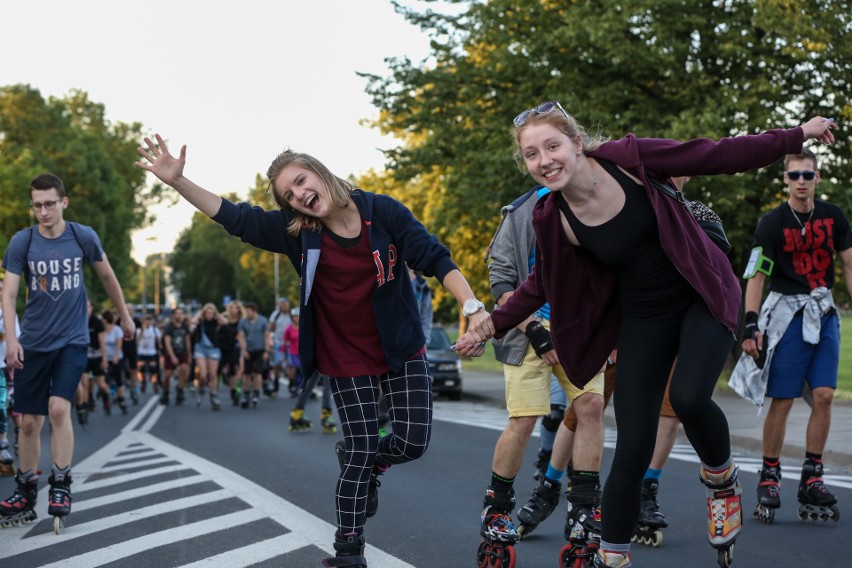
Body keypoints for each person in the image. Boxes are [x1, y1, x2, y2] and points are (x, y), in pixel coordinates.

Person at [460, 104, 837, 567]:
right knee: (633, 441)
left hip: (701, 293)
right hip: (643, 316)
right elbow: (541, 285)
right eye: (532, 154)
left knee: (689, 398)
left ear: (576, 144)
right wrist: (491, 323)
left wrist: (798, 133)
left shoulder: (630, 161)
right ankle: (613, 557)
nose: (545, 160)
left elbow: (718, 154)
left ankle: (721, 481)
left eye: (552, 146)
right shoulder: (551, 217)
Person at [135, 134, 488, 568]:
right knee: (359, 448)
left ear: (319, 172)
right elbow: (235, 217)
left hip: (399, 346)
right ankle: (348, 550)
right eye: (290, 195)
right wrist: (179, 183)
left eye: (301, 181)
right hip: (344, 355)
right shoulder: (298, 235)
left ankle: (370, 463)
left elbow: (434, 258)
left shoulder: (383, 211)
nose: (300, 195)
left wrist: (471, 304)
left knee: (413, 442)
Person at [0, 173, 134, 529]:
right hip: (33, 342)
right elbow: (9, 293)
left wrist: (125, 317)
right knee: (29, 422)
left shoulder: (82, 236)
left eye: (49, 203)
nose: (43, 211)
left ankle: (61, 484)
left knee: (58, 410)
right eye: (37, 205)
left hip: (72, 341)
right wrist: (12, 339)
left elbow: (107, 277)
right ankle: (26, 492)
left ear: (64, 202)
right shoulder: (22, 243)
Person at [483, 182, 606, 548]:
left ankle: (584, 508)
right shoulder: (521, 211)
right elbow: (501, 279)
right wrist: (535, 329)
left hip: (581, 329)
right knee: (524, 418)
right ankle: (497, 507)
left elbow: (611, 277)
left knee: (592, 405)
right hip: (528, 330)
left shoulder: (598, 203)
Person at [730, 148, 848, 524]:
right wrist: (750, 324)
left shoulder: (834, 217)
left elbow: (848, 263)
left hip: (823, 310)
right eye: (794, 175)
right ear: (785, 179)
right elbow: (757, 274)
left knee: (825, 396)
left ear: (817, 177)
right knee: (782, 400)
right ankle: (769, 473)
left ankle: (812, 474)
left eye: (807, 175)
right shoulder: (771, 223)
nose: (801, 182)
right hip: (787, 314)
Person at [0, 276, 21, 476]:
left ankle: (6, 442)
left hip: (4, 367)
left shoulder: (8, 314)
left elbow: (15, 340)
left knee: (4, 405)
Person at [190, 303, 223, 410]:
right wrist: (200, 313)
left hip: (213, 349)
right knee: (203, 375)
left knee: (213, 374)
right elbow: (192, 321)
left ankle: (213, 394)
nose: (209, 315)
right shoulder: (201, 321)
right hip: (201, 348)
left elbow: (225, 322)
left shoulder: (216, 322)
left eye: (211, 313)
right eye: (207, 312)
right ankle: (201, 389)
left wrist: (217, 314)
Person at [237, 302, 269, 409]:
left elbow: (266, 336)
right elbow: (241, 337)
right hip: (249, 349)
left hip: (260, 349)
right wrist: (244, 350)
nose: (247, 313)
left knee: (257, 372)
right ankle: (246, 394)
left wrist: (266, 351)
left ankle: (256, 393)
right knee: (247, 373)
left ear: (254, 311)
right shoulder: (243, 322)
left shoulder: (262, 321)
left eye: (249, 311)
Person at [160, 306, 192, 406]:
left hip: (182, 351)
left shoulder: (184, 326)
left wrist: (189, 353)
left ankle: (180, 389)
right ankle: (165, 392)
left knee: (184, 369)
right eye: (177, 313)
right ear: (173, 315)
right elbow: (167, 342)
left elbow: (187, 340)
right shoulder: (169, 326)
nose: (179, 315)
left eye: (180, 313)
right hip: (171, 352)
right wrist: (172, 356)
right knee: (167, 375)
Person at [102, 311, 128, 415]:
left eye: (102, 319)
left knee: (118, 379)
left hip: (116, 358)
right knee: (105, 381)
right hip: (105, 359)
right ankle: (107, 401)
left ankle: (121, 400)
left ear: (105, 320)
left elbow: (119, 344)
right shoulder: (102, 331)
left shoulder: (117, 330)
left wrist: (116, 356)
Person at [219, 300, 244, 406]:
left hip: (235, 346)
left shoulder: (241, 321)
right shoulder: (223, 319)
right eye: (232, 308)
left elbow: (242, 335)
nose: (234, 310)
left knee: (235, 369)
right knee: (221, 369)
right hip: (223, 346)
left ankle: (234, 391)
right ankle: (224, 378)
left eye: (236, 308)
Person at [269, 297, 291, 396]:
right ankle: (276, 385)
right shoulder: (276, 315)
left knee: (292, 365)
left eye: (286, 304)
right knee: (277, 364)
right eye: (282, 305)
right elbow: (271, 328)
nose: (285, 306)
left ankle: (292, 385)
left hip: (290, 343)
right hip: (279, 343)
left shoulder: (292, 314)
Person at [121, 303, 143, 404]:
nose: (129, 310)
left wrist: (138, 340)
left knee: (133, 369)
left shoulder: (136, 321)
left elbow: (141, 330)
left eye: (130, 309)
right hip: (122, 348)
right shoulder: (120, 320)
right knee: (121, 369)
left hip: (132, 348)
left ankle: (134, 389)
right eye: (127, 309)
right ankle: (121, 389)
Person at [137, 314, 162, 395]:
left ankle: (154, 383)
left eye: (149, 320)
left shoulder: (155, 330)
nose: (147, 322)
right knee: (141, 369)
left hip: (152, 352)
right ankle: (143, 382)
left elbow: (159, 342)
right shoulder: (139, 330)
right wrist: (142, 331)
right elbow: (136, 342)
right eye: (146, 320)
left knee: (153, 369)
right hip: (141, 352)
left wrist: (160, 350)